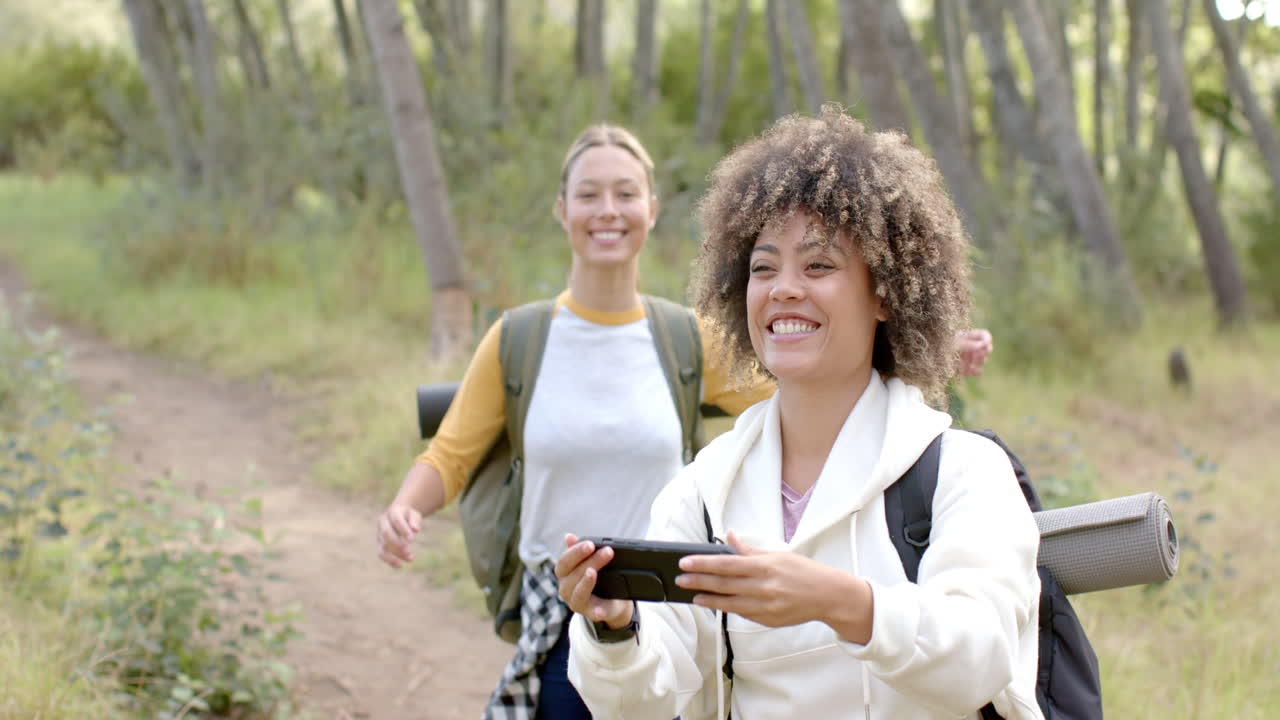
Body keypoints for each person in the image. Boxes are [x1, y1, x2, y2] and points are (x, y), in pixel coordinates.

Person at [556, 107, 1043, 719]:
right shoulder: (705, 490)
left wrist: (840, 602)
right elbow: (641, 703)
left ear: (886, 293)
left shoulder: (962, 470)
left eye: (819, 265)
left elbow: (981, 659)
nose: (783, 288)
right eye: (763, 267)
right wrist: (614, 629)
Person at [374, 124, 771, 719]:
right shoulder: (519, 339)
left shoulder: (687, 338)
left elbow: (797, 393)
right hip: (561, 608)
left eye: (625, 193)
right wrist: (405, 507)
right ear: (563, 210)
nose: (607, 210)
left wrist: (932, 348)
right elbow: (450, 454)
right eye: (588, 195)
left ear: (652, 209)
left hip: (665, 608)